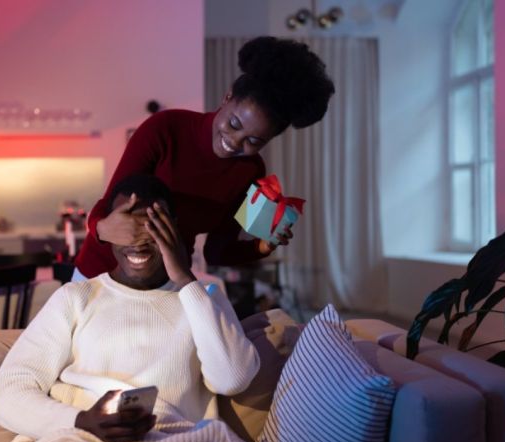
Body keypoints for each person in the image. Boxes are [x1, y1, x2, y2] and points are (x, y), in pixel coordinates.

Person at [0, 174, 260, 442]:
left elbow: (232, 380)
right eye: (126, 227)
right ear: (107, 231)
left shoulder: (204, 299)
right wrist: (80, 422)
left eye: (153, 226)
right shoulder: (75, 297)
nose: (138, 240)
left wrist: (186, 281)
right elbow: (7, 393)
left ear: (174, 230)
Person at [73, 36, 335, 280]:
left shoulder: (250, 171)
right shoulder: (165, 129)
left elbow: (217, 252)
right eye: (234, 124)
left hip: (165, 283)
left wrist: (262, 247)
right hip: (102, 273)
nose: (234, 142)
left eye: (254, 141)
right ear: (228, 97)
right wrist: (102, 229)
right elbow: (106, 208)